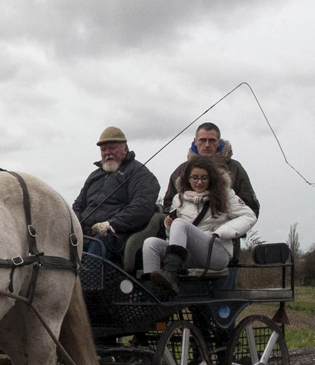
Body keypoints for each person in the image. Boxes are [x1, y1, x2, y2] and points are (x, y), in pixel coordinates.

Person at [143, 156, 257, 295]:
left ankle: (170, 274)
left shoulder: (225, 195)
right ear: (187, 178)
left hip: (216, 253)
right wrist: (169, 226)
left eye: (204, 178)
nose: (199, 182)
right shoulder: (178, 198)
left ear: (211, 178)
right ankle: (152, 295)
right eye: (194, 178)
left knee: (180, 224)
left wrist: (223, 231)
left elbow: (249, 216)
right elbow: (175, 238)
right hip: (188, 255)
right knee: (150, 244)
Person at [72, 127, 160, 261]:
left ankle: (88, 281)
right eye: (103, 149)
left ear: (125, 149)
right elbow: (78, 205)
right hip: (85, 233)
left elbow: (142, 207)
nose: (107, 153)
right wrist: (75, 224)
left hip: (117, 235)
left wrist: (111, 224)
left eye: (112, 148)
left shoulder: (139, 173)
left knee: (99, 243)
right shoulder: (94, 176)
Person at [163, 122, 260, 217]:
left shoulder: (235, 168)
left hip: (225, 230)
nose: (207, 145)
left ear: (219, 143)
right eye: (202, 140)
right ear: (195, 141)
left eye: (212, 140)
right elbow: (169, 206)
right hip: (189, 229)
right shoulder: (182, 171)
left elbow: (250, 208)